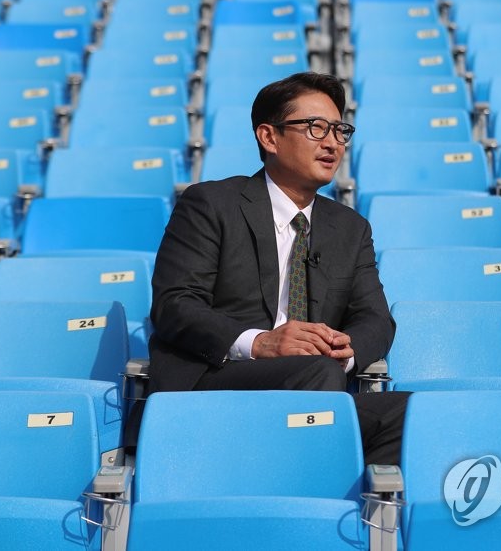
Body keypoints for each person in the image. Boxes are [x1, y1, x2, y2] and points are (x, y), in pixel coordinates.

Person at [141, 71, 407, 465]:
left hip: (318, 388)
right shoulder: (211, 204)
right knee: (316, 375)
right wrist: (260, 342)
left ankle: (304, 487)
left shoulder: (350, 228)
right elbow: (175, 305)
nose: (333, 142)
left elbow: (376, 320)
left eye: (340, 130)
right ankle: (309, 492)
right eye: (317, 128)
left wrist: (345, 352)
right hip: (217, 385)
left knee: (422, 415)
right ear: (269, 137)